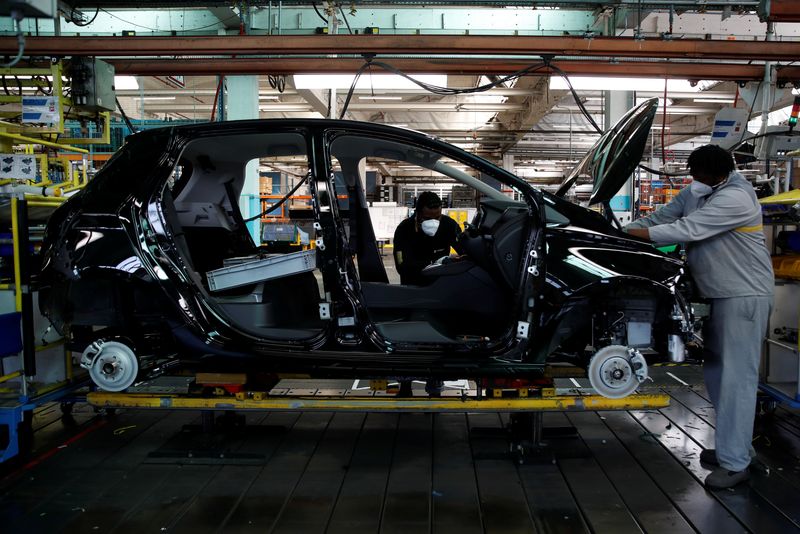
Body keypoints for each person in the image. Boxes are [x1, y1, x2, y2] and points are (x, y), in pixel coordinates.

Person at [625, 144, 774, 490]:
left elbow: (687, 230)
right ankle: (734, 449)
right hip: (717, 294)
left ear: (719, 174)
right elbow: (662, 217)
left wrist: (634, 235)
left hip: (744, 295)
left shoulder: (737, 197)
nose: (694, 179)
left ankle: (736, 463)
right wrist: (624, 230)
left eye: (700, 174)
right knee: (718, 375)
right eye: (692, 173)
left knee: (736, 379)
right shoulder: (699, 190)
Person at [393, 191, 463, 286]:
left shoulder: (449, 225)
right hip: (413, 285)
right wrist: (434, 263)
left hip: (440, 283)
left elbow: (464, 250)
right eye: (427, 218)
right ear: (417, 213)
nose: (433, 222)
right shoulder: (404, 229)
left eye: (437, 217)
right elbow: (401, 266)